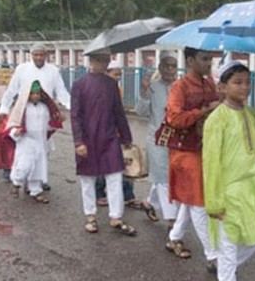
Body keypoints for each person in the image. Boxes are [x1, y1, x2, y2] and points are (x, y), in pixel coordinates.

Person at [203, 61, 255, 281]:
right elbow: (210, 163)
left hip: (251, 190)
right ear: (222, 87)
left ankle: (226, 264)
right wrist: (214, 202)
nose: (244, 87)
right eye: (237, 82)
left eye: (247, 82)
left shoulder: (252, 115)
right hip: (227, 192)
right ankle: (226, 269)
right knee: (229, 243)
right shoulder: (217, 119)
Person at [165, 47, 220, 273]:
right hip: (185, 151)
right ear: (190, 60)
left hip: (205, 149)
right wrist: (204, 110)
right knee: (198, 202)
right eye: (204, 59)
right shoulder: (180, 86)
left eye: (211, 59)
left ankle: (174, 237)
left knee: (191, 198)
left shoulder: (210, 84)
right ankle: (213, 255)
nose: (209, 63)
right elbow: (175, 118)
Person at [71, 53, 137, 235]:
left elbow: (119, 113)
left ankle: (116, 216)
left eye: (107, 60)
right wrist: (78, 141)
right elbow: (75, 116)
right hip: (87, 139)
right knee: (88, 179)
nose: (105, 63)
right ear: (92, 61)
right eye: (102, 60)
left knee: (115, 176)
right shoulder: (79, 84)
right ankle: (90, 216)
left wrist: (126, 138)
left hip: (109, 138)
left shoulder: (111, 84)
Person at [0, 42, 70, 189]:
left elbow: (61, 91)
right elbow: (11, 90)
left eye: (41, 54)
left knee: (44, 148)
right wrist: (4, 108)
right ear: (31, 55)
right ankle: (24, 179)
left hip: (45, 113)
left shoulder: (52, 70)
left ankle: (39, 179)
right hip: (25, 113)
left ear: (46, 56)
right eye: (35, 54)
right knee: (25, 149)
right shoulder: (22, 69)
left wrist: (71, 107)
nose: (38, 57)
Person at [95, 60, 158, 222]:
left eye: (119, 75)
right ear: (106, 74)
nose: (117, 78)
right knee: (105, 165)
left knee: (125, 162)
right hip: (104, 133)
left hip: (117, 131)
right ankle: (99, 192)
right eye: (115, 74)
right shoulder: (99, 91)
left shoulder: (118, 90)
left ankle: (128, 194)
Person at [135, 52, 180, 227]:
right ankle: (172, 221)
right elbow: (141, 112)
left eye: (173, 66)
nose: (170, 69)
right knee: (162, 177)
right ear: (160, 68)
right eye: (166, 66)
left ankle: (149, 203)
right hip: (157, 139)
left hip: (177, 140)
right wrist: (144, 92)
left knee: (168, 175)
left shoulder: (180, 87)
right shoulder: (152, 86)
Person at [6, 80, 62, 203]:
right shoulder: (22, 108)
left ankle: (36, 191)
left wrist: (57, 122)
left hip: (40, 141)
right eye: (32, 94)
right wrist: (16, 132)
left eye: (37, 94)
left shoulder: (44, 108)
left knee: (38, 167)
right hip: (26, 140)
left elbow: (49, 124)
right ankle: (16, 182)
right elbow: (13, 123)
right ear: (28, 95)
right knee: (24, 165)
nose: (35, 96)